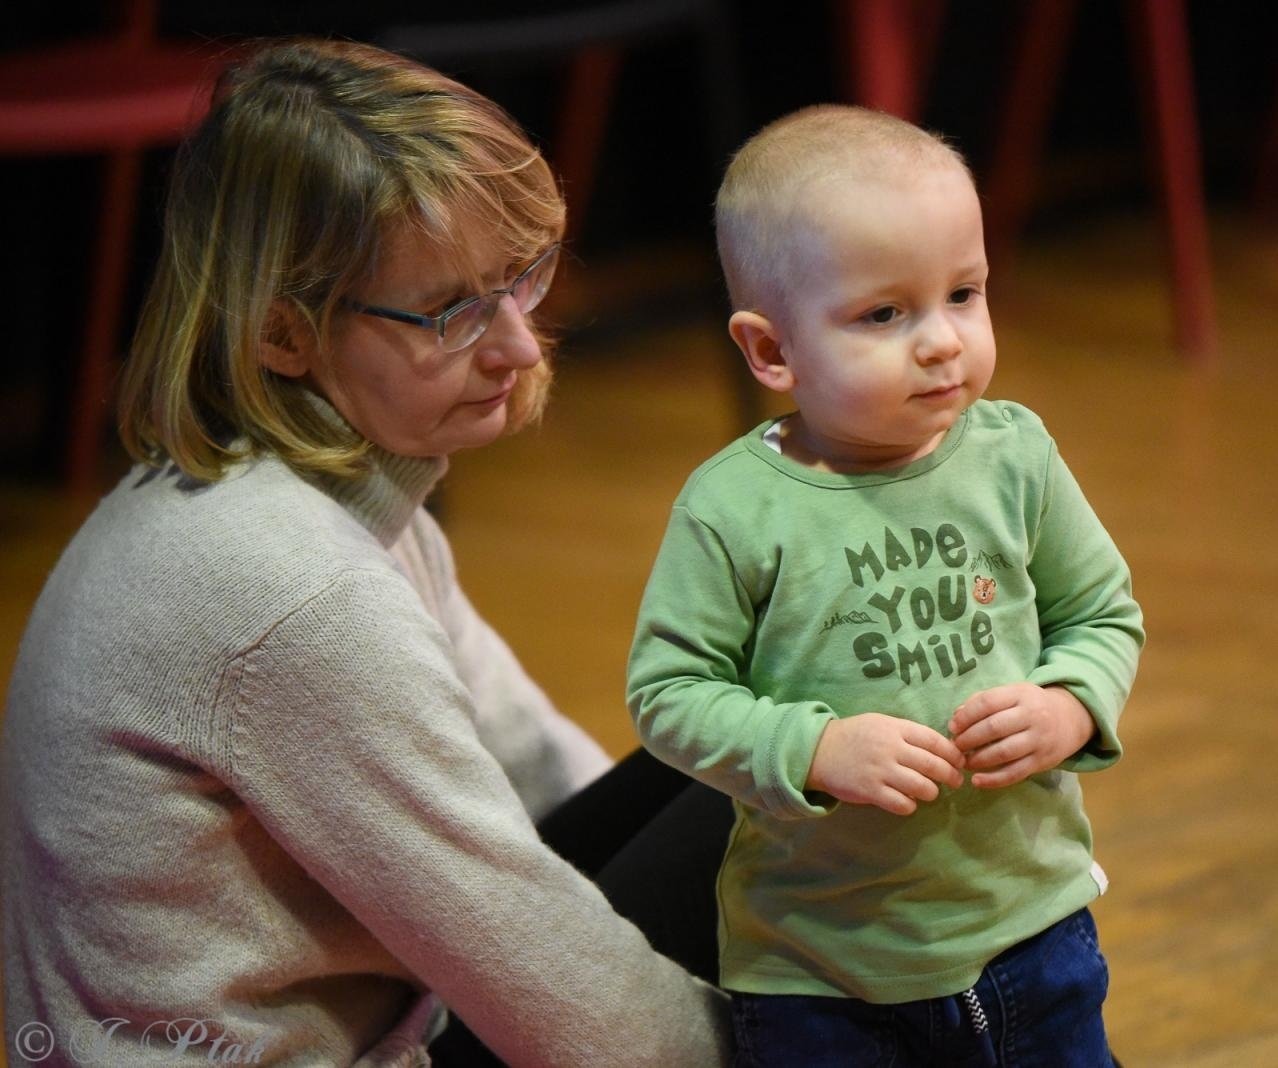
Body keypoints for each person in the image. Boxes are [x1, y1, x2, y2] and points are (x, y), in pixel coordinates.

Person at [1, 38, 731, 1067]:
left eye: (520, 277)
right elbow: (562, 985)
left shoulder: (336, 512)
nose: (519, 344)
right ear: (282, 335)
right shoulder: (291, 593)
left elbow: (537, 779)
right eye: (451, 311)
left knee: (775, 752)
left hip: (390, 1029)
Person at [625, 104, 1145, 1067]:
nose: (943, 341)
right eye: (884, 314)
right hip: (821, 976)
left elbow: (1102, 615)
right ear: (771, 350)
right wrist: (814, 746)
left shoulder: (1015, 457)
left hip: (1033, 927)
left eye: (964, 293)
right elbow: (666, 695)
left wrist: (1071, 705)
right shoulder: (733, 510)